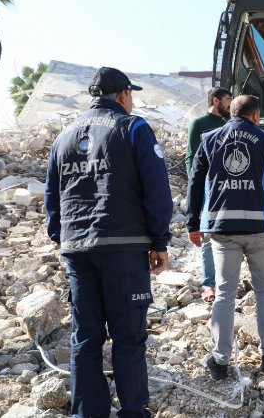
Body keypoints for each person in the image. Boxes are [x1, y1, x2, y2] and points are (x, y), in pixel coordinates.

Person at [45, 67, 173, 417]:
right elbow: (157, 190)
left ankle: (88, 413)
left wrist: (62, 238)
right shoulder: (134, 128)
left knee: (85, 339)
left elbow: (52, 197)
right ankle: (133, 412)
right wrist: (159, 241)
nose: (132, 101)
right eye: (131, 95)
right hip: (124, 249)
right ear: (122, 95)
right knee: (128, 337)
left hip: (77, 250)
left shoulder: (64, 136)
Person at [186, 95, 264, 380]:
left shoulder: (210, 138)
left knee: (224, 293)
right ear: (255, 116)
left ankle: (220, 360)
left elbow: (195, 181)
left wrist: (192, 222)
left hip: (223, 229)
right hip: (261, 226)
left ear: (231, 114)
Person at [185, 87, 232, 303]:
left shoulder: (228, 124)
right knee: (205, 236)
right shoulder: (199, 124)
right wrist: (198, 188)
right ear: (216, 100)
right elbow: (191, 159)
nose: (230, 103)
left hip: (226, 189)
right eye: (227, 99)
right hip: (206, 190)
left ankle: (227, 280)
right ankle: (208, 282)